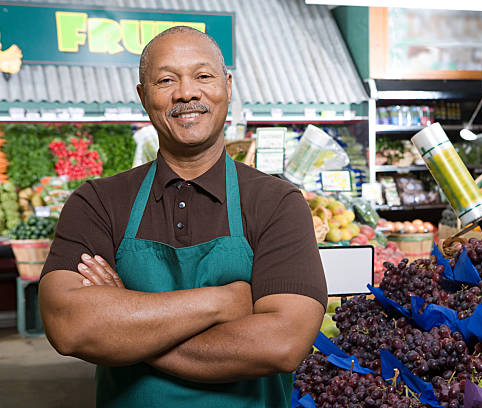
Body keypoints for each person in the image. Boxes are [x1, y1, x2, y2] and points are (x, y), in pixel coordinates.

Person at [39, 26, 327, 408]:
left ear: (227, 85)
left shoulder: (277, 202)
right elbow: (69, 326)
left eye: (203, 76)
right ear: (143, 97)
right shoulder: (97, 202)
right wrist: (222, 301)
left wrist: (125, 328)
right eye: (165, 80)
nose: (187, 92)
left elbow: (282, 344)